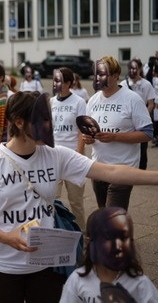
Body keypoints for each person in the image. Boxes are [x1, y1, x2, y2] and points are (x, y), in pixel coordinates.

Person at [0, 90, 158, 303]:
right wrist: (6, 237)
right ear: (19, 122)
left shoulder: (56, 156)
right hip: (4, 266)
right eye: (43, 120)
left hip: (47, 264)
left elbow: (111, 172)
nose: (50, 126)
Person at [85, 56, 153, 210]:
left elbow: (148, 133)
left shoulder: (132, 99)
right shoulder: (93, 100)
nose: (98, 78)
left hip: (123, 169)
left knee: (112, 217)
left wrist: (115, 137)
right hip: (99, 168)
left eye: (102, 74)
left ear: (115, 76)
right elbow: (90, 132)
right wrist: (88, 138)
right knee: (104, 215)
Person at [60, 207, 158, 302]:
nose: (118, 245)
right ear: (89, 242)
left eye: (124, 238)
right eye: (109, 238)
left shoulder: (139, 284)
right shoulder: (78, 280)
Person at [50, 67, 87, 229]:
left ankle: (83, 237)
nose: (56, 84)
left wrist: (78, 156)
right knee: (51, 200)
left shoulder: (78, 102)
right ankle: (52, 233)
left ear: (69, 83)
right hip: (53, 157)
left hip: (73, 158)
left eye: (60, 81)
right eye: (55, 80)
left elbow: (81, 131)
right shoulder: (51, 102)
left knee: (76, 202)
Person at [120, 58, 156, 169]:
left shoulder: (147, 84)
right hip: (126, 121)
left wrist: (144, 116)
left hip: (141, 121)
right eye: (130, 68)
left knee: (142, 147)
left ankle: (141, 170)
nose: (132, 71)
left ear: (140, 68)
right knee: (126, 145)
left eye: (135, 68)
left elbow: (151, 103)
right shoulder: (123, 84)